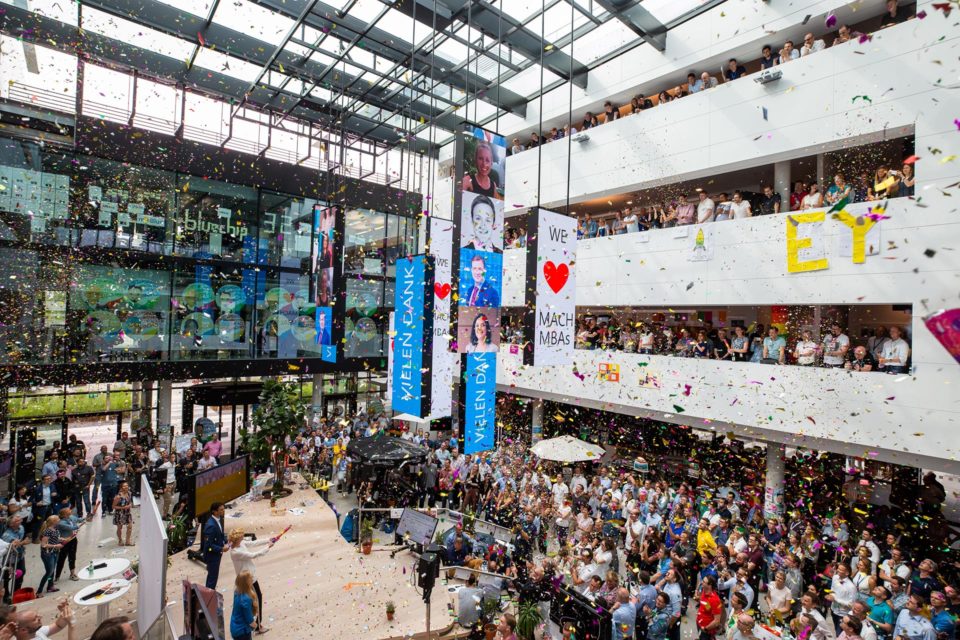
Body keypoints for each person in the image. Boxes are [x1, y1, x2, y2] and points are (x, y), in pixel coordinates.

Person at [229, 529, 274, 633]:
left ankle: (255, 623)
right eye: (241, 537)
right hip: (247, 579)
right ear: (237, 539)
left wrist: (268, 540)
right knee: (256, 599)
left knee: (253, 599)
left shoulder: (240, 543)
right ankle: (257, 625)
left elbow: (253, 543)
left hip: (249, 577)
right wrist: (268, 547)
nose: (243, 538)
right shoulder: (236, 552)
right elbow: (253, 555)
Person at [203, 502, 229, 589]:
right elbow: (209, 545)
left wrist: (227, 540)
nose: (223, 511)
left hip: (216, 555)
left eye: (223, 509)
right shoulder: (211, 525)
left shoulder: (217, 520)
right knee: (212, 579)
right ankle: (208, 598)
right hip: (212, 556)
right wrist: (221, 548)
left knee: (212, 576)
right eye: (221, 510)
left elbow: (220, 535)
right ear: (215, 512)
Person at [54, 507, 82, 582]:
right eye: (68, 510)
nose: (70, 510)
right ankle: (57, 576)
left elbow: (79, 519)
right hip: (64, 542)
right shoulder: (61, 523)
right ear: (64, 514)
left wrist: (87, 518)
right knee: (61, 559)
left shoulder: (71, 517)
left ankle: (72, 574)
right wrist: (80, 525)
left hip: (73, 540)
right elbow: (72, 528)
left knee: (72, 557)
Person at [37, 515, 62, 596]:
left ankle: (50, 586)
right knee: (49, 572)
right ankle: (39, 591)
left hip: (55, 552)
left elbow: (55, 538)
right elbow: (43, 545)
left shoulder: (55, 528)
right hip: (48, 554)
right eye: (58, 519)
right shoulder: (47, 531)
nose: (59, 520)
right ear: (53, 521)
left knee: (52, 571)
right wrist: (56, 546)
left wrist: (62, 540)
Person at [231, 571, 259, 640]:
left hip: (234, 626)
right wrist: (256, 625)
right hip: (242, 631)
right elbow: (249, 620)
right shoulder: (246, 599)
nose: (252, 580)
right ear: (246, 583)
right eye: (250, 579)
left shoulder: (237, 592)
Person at [112, 481, 133, 546]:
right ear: (121, 488)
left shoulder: (129, 493)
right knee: (119, 528)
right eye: (124, 486)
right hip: (119, 514)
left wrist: (130, 505)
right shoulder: (118, 497)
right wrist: (124, 507)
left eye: (127, 485)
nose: (126, 487)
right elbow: (113, 506)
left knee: (130, 527)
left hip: (127, 513)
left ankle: (128, 541)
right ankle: (120, 540)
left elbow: (130, 502)